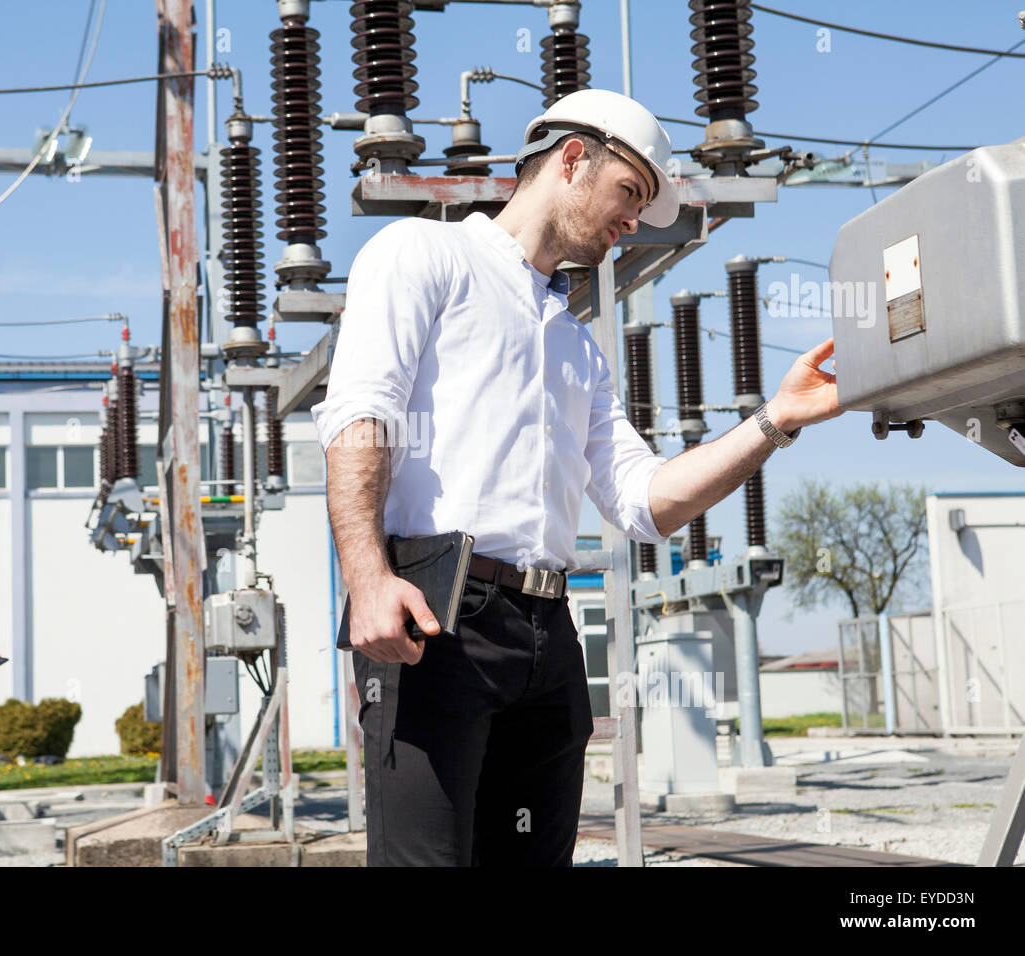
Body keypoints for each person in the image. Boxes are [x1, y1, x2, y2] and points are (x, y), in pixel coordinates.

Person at [312, 89, 845, 866]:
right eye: (629, 193)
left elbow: (644, 502)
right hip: (438, 621)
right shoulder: (421, 255)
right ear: (571, 159)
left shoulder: (576, 348)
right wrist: (365, 578)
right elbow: (361, 417)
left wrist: (776, 420)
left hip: (548, 638)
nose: (632, 223)